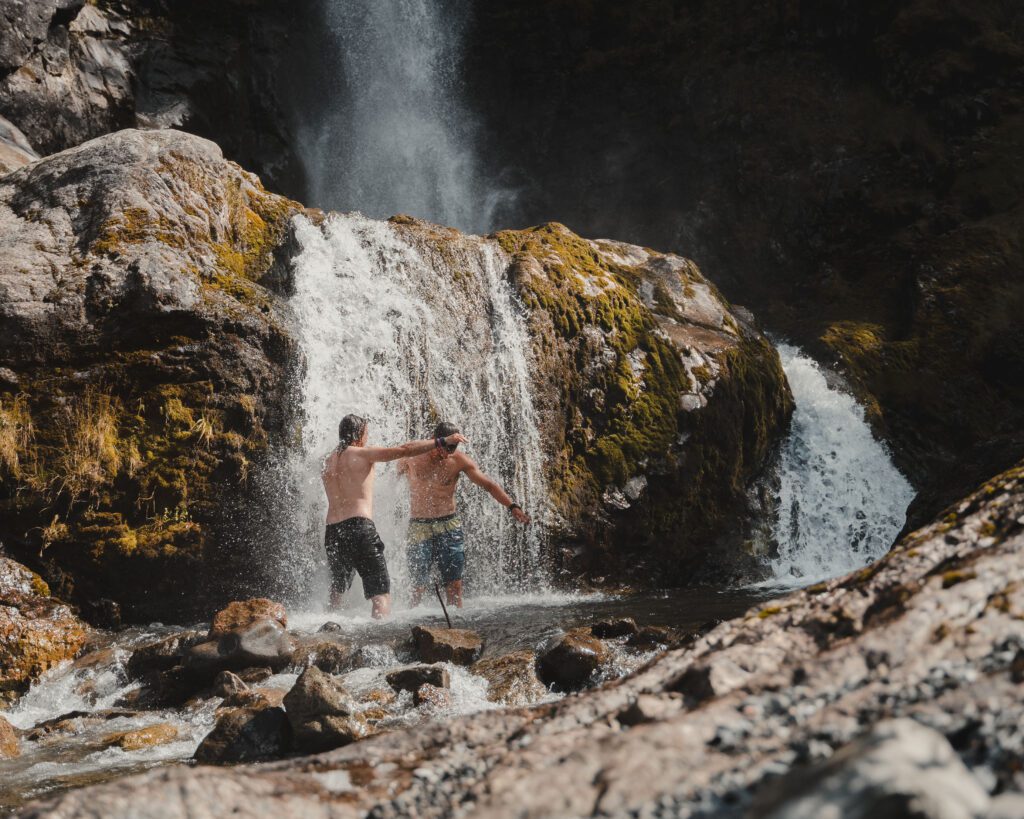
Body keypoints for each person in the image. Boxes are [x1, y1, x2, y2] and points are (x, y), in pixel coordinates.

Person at [322, 414, 467, 619]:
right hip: (358, 528)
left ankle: (326, 632)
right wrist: (442, 441)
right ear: (358, 435)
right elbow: (404, 451)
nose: (367, 438)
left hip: (333, 532)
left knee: (337, 591)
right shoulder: (362, 454)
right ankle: (379, 643)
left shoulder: (327, 461)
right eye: (365, 434)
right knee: (381, 594)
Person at [397, 421, 530, 609]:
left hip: (449, 526)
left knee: (454, 584)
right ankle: (412, 625)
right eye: (445, 446)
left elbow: (489, 485)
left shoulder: (459, 461)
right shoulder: (413, 456)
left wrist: (512, 506)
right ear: (436, 440)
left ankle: (457, 632)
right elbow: (398, 461)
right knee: (417, 585)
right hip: (419, 526)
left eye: (453, 448)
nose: (447, 452)